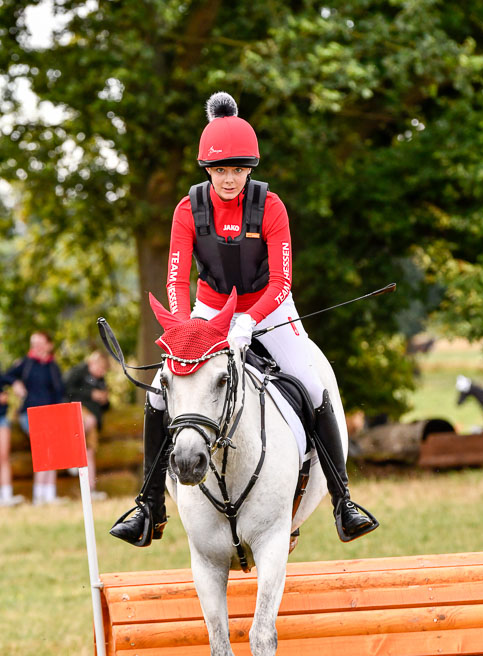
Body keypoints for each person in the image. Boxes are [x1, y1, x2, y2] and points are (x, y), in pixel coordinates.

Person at [111, 91, 378, 546]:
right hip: (209, 309)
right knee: (160, 392)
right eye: (219, 170)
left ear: (249, 169)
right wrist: (182, 327)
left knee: (311, 385)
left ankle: (342, 501)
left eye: (237, 169)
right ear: (208, 170)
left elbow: (282, 280)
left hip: (269, 308)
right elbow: (177, 278)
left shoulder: (270, 207)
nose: (229, 179)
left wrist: (248, 320)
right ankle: (149, 506)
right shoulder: (187, 210)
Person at [7, 331, 65, 505]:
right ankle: (38, 495)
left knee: (52, 450)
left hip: (51, 414)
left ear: (49, 345)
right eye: (34, 344)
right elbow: (6, 375)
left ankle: (49, 494)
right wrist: (15, 383)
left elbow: (60, 392)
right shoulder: (26, 364)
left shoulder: (53, 367)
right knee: (44, 447)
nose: (37, 348)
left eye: (41, 344)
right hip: (30, 413)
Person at [65, 350, 110, 500]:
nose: (101, 372)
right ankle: (70, 455)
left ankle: (90, 490)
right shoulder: (78, 372)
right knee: (90, 421)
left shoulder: (101, 380)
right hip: (77, 412)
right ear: (92, 362)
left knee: (89, 451)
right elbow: (67, 390)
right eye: (100, 368)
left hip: (93, 417)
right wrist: (91, 394)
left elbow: (105, 405)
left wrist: (104, 400)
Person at [0, 371, 25, 507]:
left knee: (4, 457)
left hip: (2, 418)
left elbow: (8, 376)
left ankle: (6, 495)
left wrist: (15, 383)